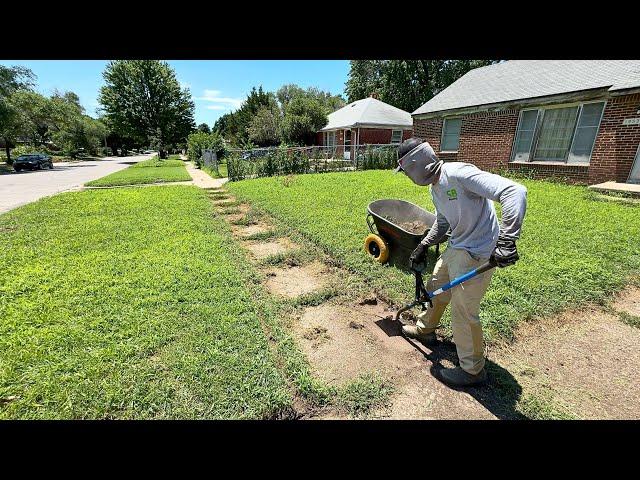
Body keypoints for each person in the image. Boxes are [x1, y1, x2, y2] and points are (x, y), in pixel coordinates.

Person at [394, 137, 527, 387]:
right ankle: (426, 329)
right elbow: (444, 223)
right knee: (435, 289)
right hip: (457, 246)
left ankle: (472, 370)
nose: (406, 177)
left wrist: (508, 240)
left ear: (414, 164)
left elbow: (514, 191)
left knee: (463, 312)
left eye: (405, 171)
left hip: (477, 253)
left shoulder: (458, 173)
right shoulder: (435, 188)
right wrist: (424, 245)